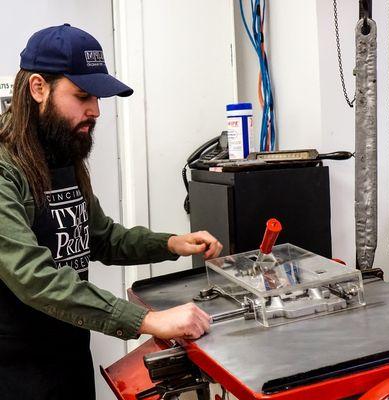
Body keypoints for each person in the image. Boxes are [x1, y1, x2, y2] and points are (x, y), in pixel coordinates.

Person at [0, 24, 223, 400]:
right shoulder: (6, 171)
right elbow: (33, 277)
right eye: (83, 96)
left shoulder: (63, 155)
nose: (96, 111)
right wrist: (148, 320)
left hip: (69, 354)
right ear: (38, 88)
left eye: (98, 98)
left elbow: (101, 236)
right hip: (16, 370)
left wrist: (171, 243)